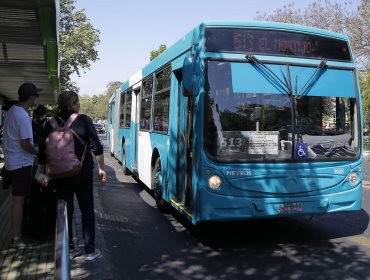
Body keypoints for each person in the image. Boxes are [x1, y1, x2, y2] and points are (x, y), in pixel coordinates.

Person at [38, 90, 107, 261]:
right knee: (87, 210)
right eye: (77, 102)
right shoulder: (83, 120)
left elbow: (41, 152)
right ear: (72, 104)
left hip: (58, 175)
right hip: (82, 173)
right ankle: (90, 249)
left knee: (64, 210)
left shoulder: (49, 124)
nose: (79, 105)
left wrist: (41, 174)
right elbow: (96, 147)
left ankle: (69, 247)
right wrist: (101, 168)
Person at [2, 82, 40, 243]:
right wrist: (38, 151)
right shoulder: (22, 115)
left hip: (12, 161)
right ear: (31, 98)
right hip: (21, 164)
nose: (36, 100)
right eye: (35, 97)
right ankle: (17, 236)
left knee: (17, 199)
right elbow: (25, 143)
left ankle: (18, 232)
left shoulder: (12, 111)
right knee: (18, 200)